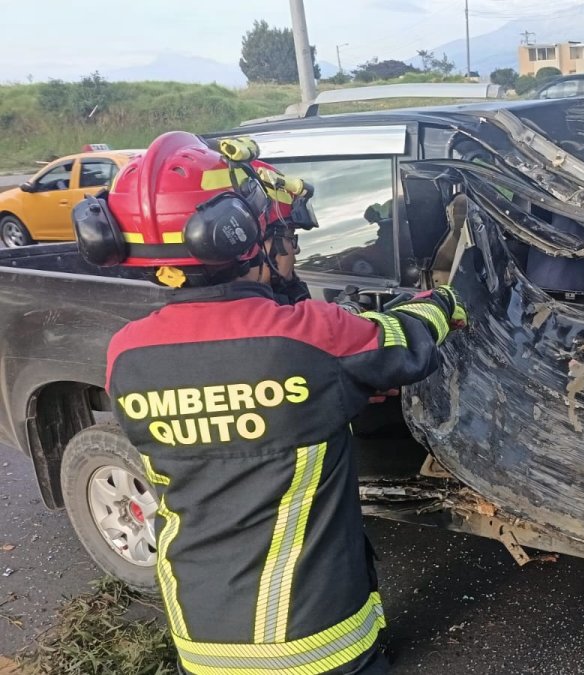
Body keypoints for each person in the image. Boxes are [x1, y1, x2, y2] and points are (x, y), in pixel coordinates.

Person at [72, 131, 466, 675]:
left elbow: (228, 411)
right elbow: (405, 340)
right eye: (286, 238)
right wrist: (445, 300)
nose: (295, 251)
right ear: (247, 241)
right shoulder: (313, 335)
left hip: (201, 637)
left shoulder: (126, 353)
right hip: (317, 640)